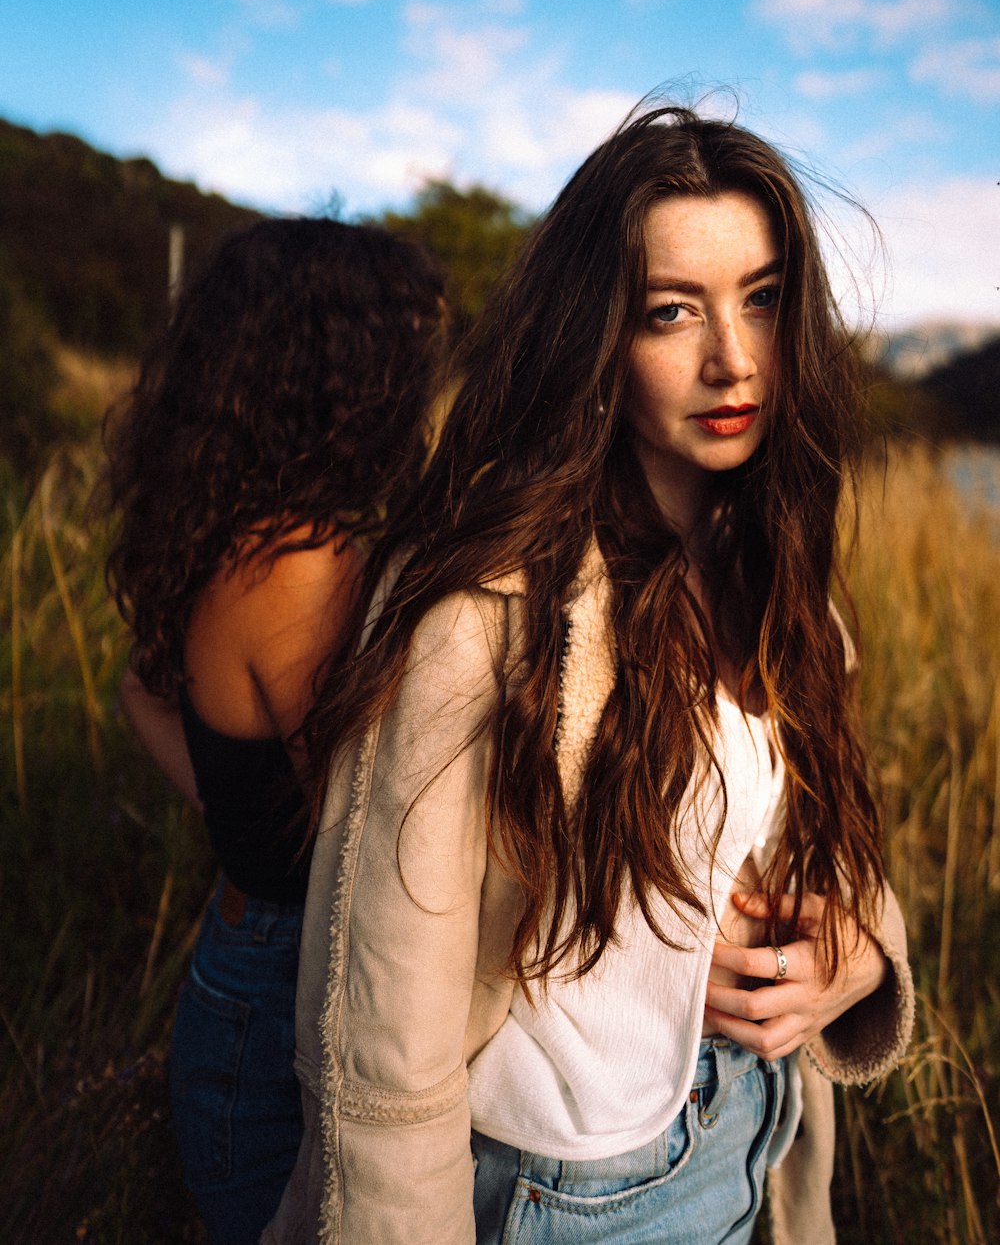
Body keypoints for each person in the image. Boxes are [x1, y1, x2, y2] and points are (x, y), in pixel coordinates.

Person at [264, 107, 914, 1245]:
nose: (732, 359)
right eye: (672, 311)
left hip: (751, 1137)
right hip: (567, 1196)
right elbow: (381, 1049)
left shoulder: (785, 575)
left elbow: (822, 854)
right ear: (597, 333)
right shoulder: (483, 607)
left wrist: (856, 955)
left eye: (760, 298)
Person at [103, 216, 446, 1245]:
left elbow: (140, 690)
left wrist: (234, 810)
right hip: (280, 998)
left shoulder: (239, 530)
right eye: (408, 354)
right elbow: (374, 814)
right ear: (349, 373)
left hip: (244, 957)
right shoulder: (308, 567)